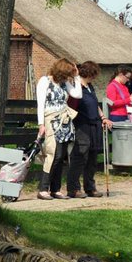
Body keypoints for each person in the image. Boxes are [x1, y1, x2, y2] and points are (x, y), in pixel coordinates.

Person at [36, 57, 79, 199]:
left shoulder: (64, 83)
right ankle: (43, 188)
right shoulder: (45, 81)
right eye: (67, 74)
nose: (68, 78)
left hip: (64, 120)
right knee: (52, 153)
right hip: (51, 120)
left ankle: (55, 189)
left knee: (61, 155)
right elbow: (40, 103)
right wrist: (41, 124)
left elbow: (77, 94)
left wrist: (76, 77)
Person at [67, 61, 109, 198]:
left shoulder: (90, 86)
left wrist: (103, 116)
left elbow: (95, 103)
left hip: (95, 123)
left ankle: (90, 187)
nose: (95, 77)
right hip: (82, 124)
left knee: (92, 157)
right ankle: (73, 188)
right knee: (80, 155)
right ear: (89, 73)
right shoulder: (76, 86)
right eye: (94, 74)